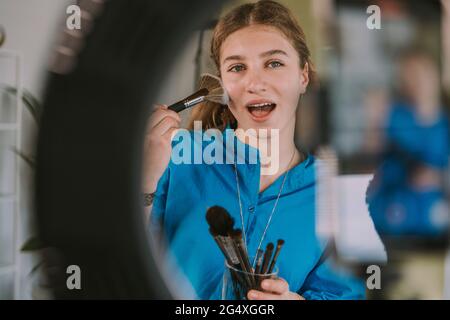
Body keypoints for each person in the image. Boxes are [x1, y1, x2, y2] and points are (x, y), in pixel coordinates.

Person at [142, 0, 365, 300]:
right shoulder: (174, 155)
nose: (254, 82)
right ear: (222, 84)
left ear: (303, 76)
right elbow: (117, 262)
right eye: (237, 67)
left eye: (274, 63)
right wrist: (142, 179)